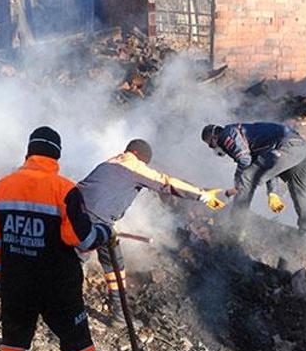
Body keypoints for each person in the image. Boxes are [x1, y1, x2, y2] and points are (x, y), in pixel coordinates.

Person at [0, 127, 114, 351]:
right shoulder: (65, 190)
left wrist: (1, 276)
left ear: (29, 151)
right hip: (59, 288)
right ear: (57, 156)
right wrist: (105, 232)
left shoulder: (2, 187)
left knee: (12, 348)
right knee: (78, 348)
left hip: (17, 284)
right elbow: (83, 240)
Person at [78, 139, 226, 326]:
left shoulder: (108, 163)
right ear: (140, 155)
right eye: (145, 162)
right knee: (79, 262)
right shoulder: (133, 165)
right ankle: (62, 307)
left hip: (79, 214)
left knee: (114, 263)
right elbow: (166, 182)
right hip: (96, 220)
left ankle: (118, 314)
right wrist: (202, 195)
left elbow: (92, 191)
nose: (144, 166)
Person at [201, 122, 306, 234]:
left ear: (214, 138)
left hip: (287, 147)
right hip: (302, 148)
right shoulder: (248, 138)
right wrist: (273, 193)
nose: (214, 148)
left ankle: (236, 228)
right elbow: (268, 165)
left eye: (211, 145)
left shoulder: (226, 135)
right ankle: (305, 234)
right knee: (298, 193)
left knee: (245, 178)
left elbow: (245, 160)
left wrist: (238, 182)